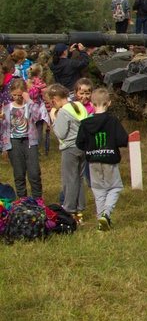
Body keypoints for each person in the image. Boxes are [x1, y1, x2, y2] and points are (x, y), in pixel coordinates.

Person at [75, 87, 128, 231]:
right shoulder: (113, 121)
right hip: (110, 159)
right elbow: (123, 139)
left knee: (98, 190)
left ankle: (101, 222)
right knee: (115, 187)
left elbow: (79, 143)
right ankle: (106, 213)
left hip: (93, 161)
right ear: (109, 103)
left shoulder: (85, 123)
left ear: (91, 105)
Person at [1, 78, 48, 199]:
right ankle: (22, 199)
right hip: (14, 142)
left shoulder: (30, 105)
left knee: (34, 173)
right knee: (19, 173)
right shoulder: (6, 108)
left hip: (29, 141)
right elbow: (4, 130)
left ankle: (38, 199)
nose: (17, 97)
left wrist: (29, 101)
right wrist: (4, 147)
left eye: (20, 95)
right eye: (14, 95)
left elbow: (37, 116)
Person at [49, 84, 89, 224]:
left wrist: (53, 118)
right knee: (79, 179)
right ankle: (80, 210)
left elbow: (61, 133)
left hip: (70, 148)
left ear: (55, 99)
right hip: (82, 147)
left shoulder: (62, 112)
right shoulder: (78, 105)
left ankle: (69, 210)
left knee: (69, 180)